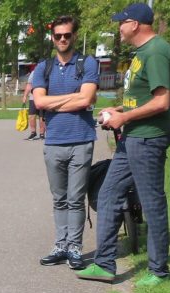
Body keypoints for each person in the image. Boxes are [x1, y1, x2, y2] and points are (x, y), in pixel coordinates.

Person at [78, 2, 170, 287]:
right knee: (109, 195)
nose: (119, 28)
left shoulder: (156, 51)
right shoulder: (141, 53)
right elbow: (142, 97)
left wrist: (125, 118)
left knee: (152, 201)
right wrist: (119, 111)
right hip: (133, 137)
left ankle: (159, 270)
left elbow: (162, 101)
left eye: (122, 23)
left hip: (148, 138)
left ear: (135, 24)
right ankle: (105, 264)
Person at [31, 16, 100, 271]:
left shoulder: (87, 63)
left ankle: (75, 248)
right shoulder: (43, 68)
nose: (62, 39)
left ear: (74, 36)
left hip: (81, 141)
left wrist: (56, 100)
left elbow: (87, 99)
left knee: (75, 198)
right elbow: (39, 103)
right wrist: (76, 97)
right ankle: (60, 245)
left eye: (67, 35)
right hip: (54, 142)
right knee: (59, 199)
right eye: (58, 35)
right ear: (52, 37)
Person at [21, 68, 46, 140]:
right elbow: (29, 85)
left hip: (44, 97)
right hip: (33, 97)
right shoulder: (34, 73)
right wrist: (25, 96)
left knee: (42, 117)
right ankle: (33, 133)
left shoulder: (48, 72)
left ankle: (42, 134)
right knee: (31, 116)